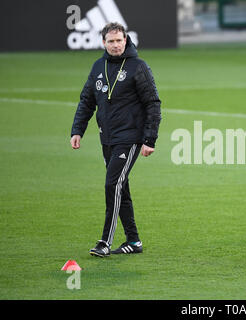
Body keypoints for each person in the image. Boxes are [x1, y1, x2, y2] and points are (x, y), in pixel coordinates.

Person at [70, 22, 161, 257]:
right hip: (107, 138)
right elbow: (86, 101)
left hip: (129, 137)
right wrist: (77, 130)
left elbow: (153, 103)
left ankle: (105, 242)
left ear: (126, 40)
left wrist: (149, 139)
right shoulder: (98, 66)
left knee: (112, 185)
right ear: (103, 43)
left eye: (119, 40)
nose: (115, 45)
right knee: (121, 187)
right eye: (111, 41)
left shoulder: (138, 67)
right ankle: (134, 241)